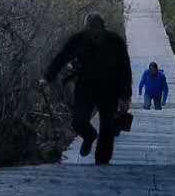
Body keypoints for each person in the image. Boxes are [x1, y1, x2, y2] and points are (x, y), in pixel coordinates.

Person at [41, 13, 132, 165]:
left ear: (103, 27)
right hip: (85, 88)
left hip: (110, 90)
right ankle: (89, 135)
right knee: (78, 121)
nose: (95, 32)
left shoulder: (116, 42)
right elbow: (62, 57)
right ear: (87, 29)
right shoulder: (78, 40)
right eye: (92, 28)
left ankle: (102, 164)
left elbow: (125, 69)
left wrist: (125, 95)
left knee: (107, 128)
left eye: (98, 28)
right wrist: (47, 77)